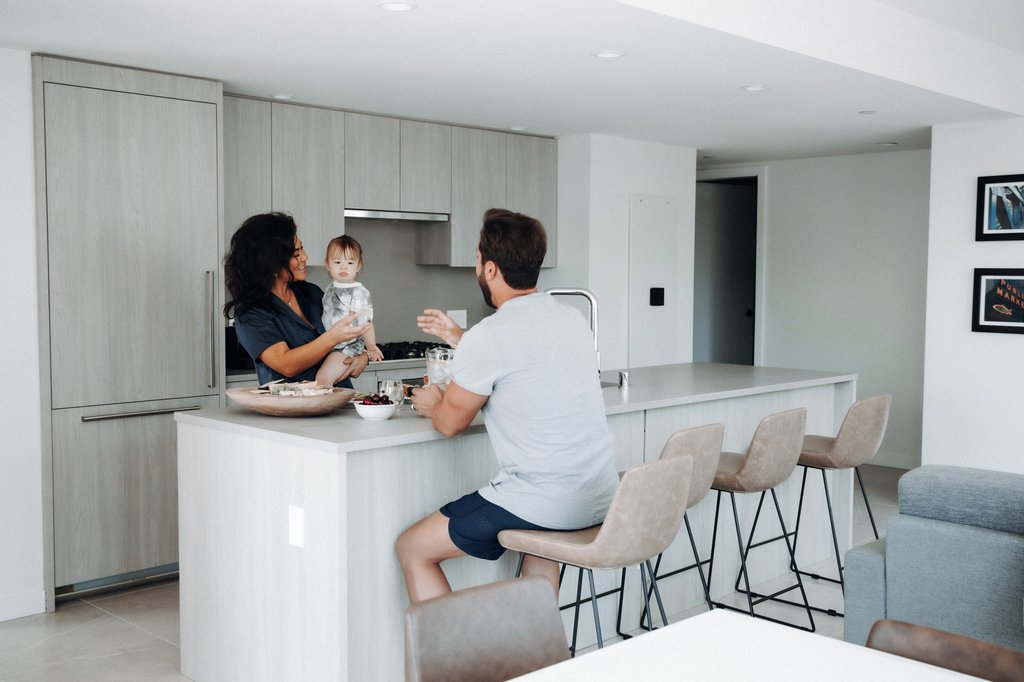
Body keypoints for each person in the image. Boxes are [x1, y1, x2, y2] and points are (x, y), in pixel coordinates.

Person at [396, 208, 619, 604]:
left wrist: (432, 402)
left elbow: (450, 424)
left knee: (413, 548)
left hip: (545, 502)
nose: (476, 268)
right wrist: (462, 339)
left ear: (493, 270)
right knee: (542, 545)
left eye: (478, 259)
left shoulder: (491, 335)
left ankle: (456, 664)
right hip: (599, 497)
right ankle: (538, 661)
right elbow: (525, 362)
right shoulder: (571, 319)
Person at [223, 212, 371, 387]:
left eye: (302, 249)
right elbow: (285, 364)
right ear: (270, 262)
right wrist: (333, 337)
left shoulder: (311, 292)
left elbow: (349, 334)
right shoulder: (251, 313)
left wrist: (364, 357)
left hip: (339, 404)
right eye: (296, 254)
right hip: (292, 410)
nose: (305, 257)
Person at [315, 235, 384, 388]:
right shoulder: (331, 287)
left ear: (359, 265)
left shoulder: (358, 292)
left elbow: (365, 323)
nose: (343, 267)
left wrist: (371, 346)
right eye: (337, 262)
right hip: (331, 345)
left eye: (350, 262)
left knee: (322, 380)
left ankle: (323, 409)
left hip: (347, 348)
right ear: (327, 264)